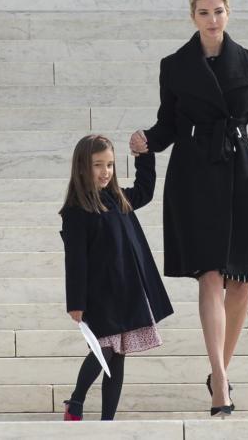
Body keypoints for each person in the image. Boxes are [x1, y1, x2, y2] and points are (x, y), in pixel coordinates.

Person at [130, 0, 248, 418]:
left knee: (242, 282)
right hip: (194, 175)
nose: (212, 19)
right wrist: (146, 140)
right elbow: (169, 124)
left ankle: (221, 365)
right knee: (210, 276)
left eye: (218, 10)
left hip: (240, 174)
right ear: (193, 16)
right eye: (204, 12)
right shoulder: (174, 65)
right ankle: (219, 379)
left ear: (228, 13)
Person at [58, 134, 173, 421]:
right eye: (98, 165)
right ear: (83, 167)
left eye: (109, 164)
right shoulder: (75, 211)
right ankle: (76, 402)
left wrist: (144, 156)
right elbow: (75, 260)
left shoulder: (118, 198)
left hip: (126, 292)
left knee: (118, 356)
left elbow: (145, 190)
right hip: (99, 296)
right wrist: (76, 302)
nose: (105, 171)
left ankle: (108, 421)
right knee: (104, 350)